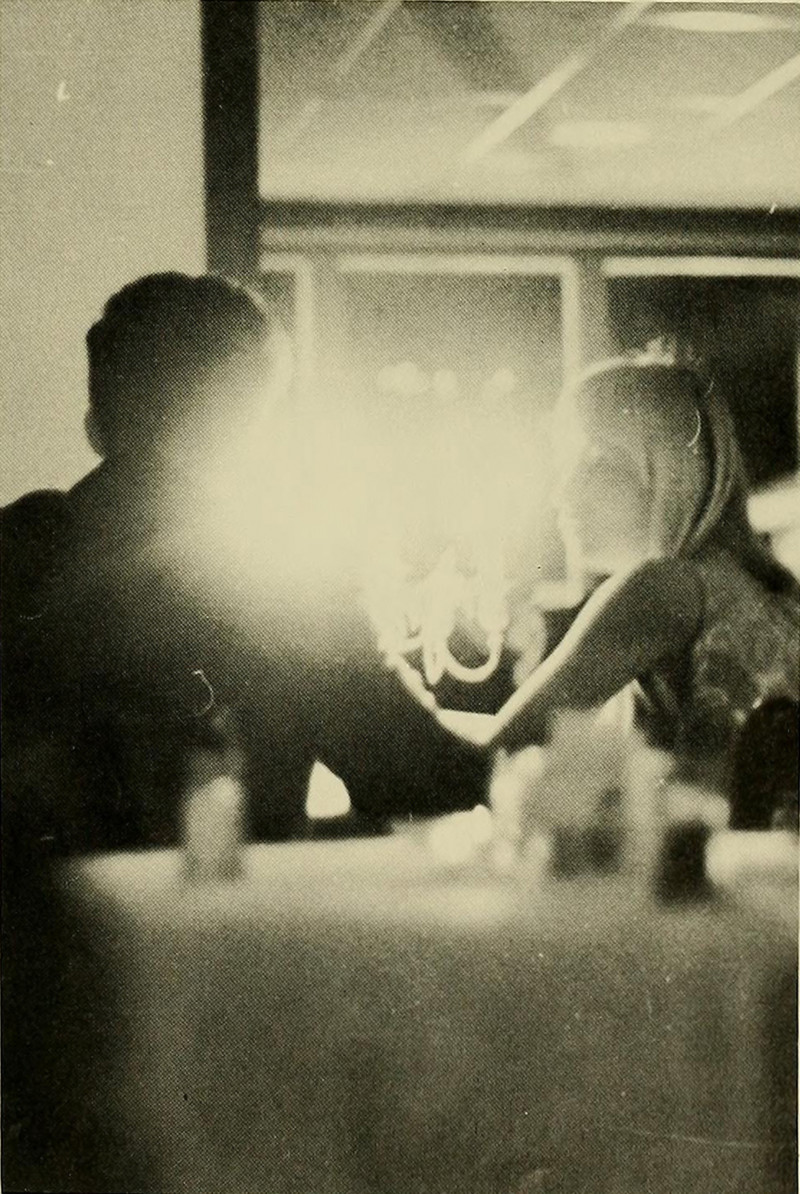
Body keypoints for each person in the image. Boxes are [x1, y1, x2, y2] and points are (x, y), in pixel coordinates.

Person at [1, 272, 488, 857]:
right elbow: (414, 772)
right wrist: (542, 764)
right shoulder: (284, 582)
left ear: (95, 424)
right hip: (212, 911)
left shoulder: (18, 545)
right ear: (248, 428)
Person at [443, 352, 800, 796]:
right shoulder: (757, 591)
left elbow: (494, 755)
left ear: (667, 472)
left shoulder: (665, 588)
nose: (562, 492)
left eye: (595, 462)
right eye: (565, 465)